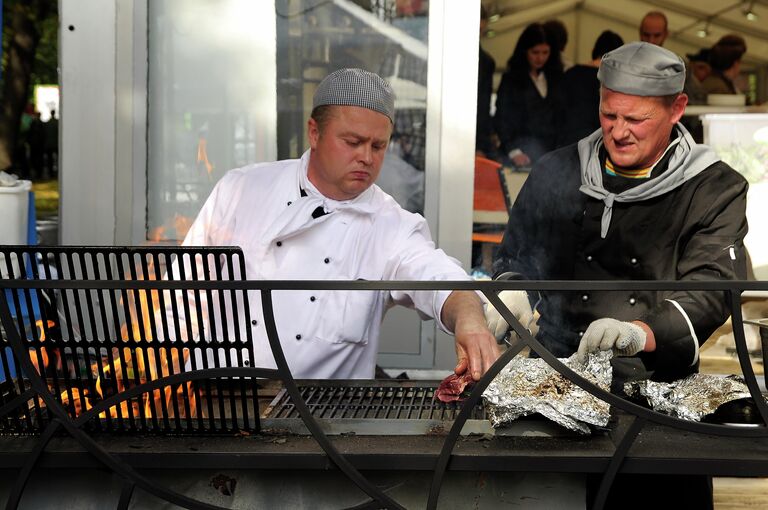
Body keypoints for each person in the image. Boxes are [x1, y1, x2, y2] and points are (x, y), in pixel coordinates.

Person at [485, 42, 748, 509]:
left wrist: (637, 333)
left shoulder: (712, 186)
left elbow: (711, 290)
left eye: (636, 120)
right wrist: (514, 295)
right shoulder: (557, 170)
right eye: (609, 116)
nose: (619, 132)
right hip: (552, 385)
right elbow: (516, 256)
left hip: (658, 395)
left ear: (677, 109)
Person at [181, 68, 499, 381]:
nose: (367, 157)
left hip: (322, 417)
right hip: (214, 401)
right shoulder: (242, 190)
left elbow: (439, 277)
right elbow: (182, 294)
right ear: (314, 133)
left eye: (378, 146)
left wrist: (470, 318)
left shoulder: (390, 226)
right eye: (353, 142)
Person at [494, 22, 564, 168]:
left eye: (545, 53)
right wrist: (513, 151)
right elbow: (502, 118)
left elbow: (562, 119)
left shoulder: (556, 79)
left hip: (549, 156)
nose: (540, 58)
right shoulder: (511, 80)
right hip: (518, 154)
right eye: (535, 52)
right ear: (525, 51)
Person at [559, 30, 624, 147]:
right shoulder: (612, 81)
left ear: (595, 49)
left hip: (565, 142)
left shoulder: (571, 73)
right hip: (593, 145)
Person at [476, 6, 497, 158]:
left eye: (481, 30)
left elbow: (483, 107)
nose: (477, 35)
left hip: (473, 139)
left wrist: (480, 145)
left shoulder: (486, 62)